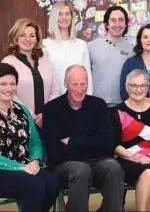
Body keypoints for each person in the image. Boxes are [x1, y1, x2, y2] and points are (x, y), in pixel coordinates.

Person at [0, 63, 59, 212]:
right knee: (34, 185)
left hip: (24, 167)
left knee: (52, 182)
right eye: (3, 84)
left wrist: (35, 161)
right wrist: (21, 167)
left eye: (12, 84)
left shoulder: (22, 110)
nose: (8, 88)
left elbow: (35, 143)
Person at [43, 65, 124, 212]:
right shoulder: (52, 108)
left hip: (97, 162)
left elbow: (107, 144)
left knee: (113, 167)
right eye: (74, 84)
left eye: (83, 84)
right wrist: (93, 143)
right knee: (81, 169)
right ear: (65, 84)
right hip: (64, 166)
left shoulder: (98, 105)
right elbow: (56, 152)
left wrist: (73, 141)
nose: (80, 90)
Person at [2, 18, 60, 162]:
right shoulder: (8, 62)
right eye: (23, 34)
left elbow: (55, 90)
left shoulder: (45, 61)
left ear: (37, 39)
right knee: (26, 165)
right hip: (19, 124)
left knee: (47, 162)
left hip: (46, 123)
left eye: (32, 35)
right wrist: (30, 115)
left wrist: (45, 113)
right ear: (15, 37)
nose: (27, 39)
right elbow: (9, 94)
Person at [113, 69, 150, 211]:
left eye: (143, 86)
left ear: (148, 88)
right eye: (134, 86)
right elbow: (113, 144)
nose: (139, 90)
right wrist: (134, 158)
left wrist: (149, 156)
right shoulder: (116, 111)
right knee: (148, 173)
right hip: (125, 159)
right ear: (127, 87)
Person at [43, 1, 93, 95]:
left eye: (67, 14)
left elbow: (88, 76)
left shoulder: (81, 45)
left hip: (79, 100)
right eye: (60, 14)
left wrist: (88, 100)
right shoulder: (45, 45)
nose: (64, 18)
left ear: (71, 17)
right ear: (54, 17)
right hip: (54, 100)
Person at [88, 6, 134, 107]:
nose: (117, 24)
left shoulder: (132, 50)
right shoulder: (91, 47)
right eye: (113, 20)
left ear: (126, 24)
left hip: (124, 105)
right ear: (106, 24)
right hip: (96, 104)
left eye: (121, 20)